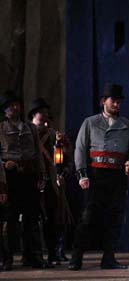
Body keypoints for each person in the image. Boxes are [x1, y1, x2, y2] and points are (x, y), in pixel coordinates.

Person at [69, 83, 129, 270]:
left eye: (119, 101)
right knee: (88, 218)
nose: (116, 104)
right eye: (113, 101)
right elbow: (80, 149)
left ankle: (108, 258)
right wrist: (82, 175)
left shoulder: (127, 125)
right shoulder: (90, 122)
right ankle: (76, 258)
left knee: (114, 218)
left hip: (117, 176)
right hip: (96, 175)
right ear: (103, 102)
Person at [0, 90, 50, 270]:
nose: (14, 108)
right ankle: (7, 258)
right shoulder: (1, 128)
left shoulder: (30, 128)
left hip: (29, 176)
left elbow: (37, 154)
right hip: (10, 177)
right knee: (9, 219)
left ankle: (33, 256)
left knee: (32, 217)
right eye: (10, 106)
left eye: (17, 105)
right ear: (5, 111)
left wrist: (42, 175)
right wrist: (4, 172)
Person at [28, 98, 74, 266]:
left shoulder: (56, 136)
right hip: (31, 182)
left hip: (52, 184)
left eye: (47, 112)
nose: (45, 115)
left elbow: (67, 158)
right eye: (42, 112)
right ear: (34, 114)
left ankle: (54, 253)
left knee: (55, 219)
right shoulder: (26, 134)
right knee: (32, 220)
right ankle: (33, 256)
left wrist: (64, 173)